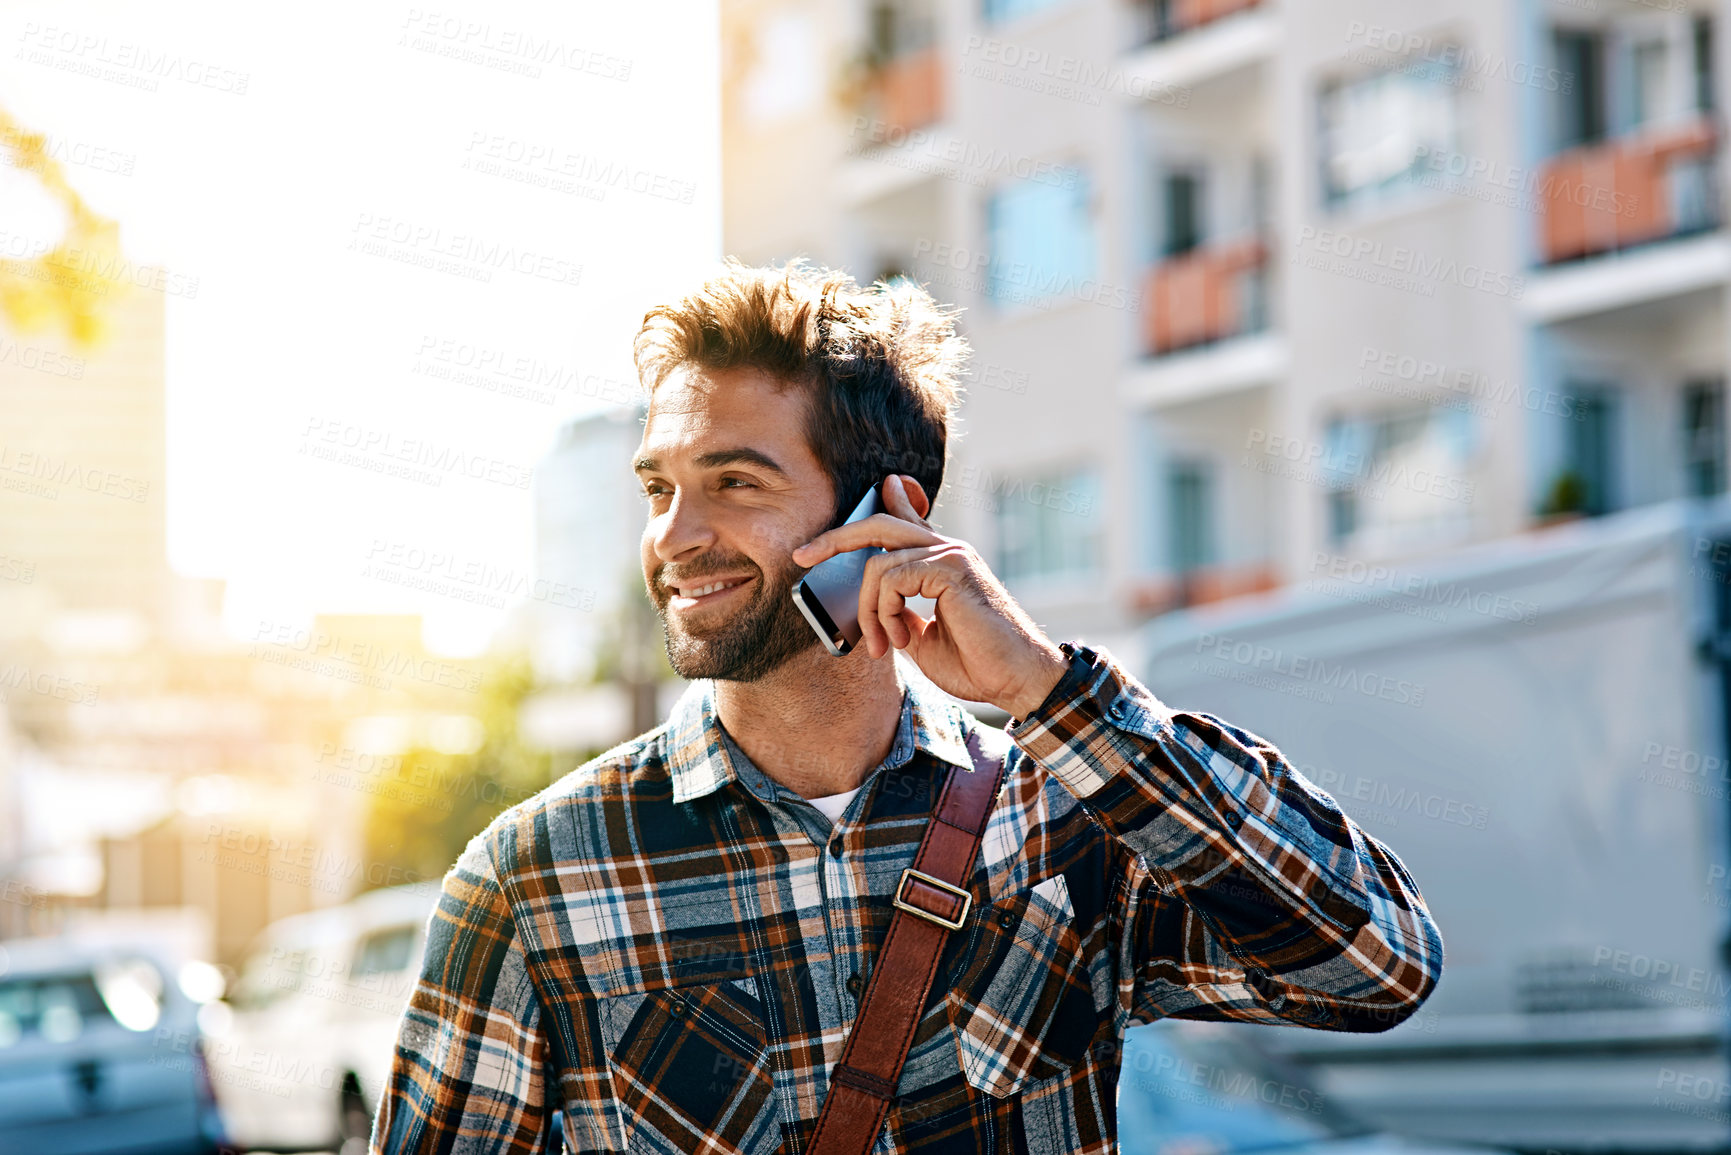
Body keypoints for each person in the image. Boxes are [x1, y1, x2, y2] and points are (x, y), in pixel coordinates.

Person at [371, 261, 1443, 1155]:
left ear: (890, 515)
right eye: (660, 489)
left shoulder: (1066, 821)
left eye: (735, 482)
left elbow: (1377, 966)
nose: (675, 534)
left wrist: (1046, 691)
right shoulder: (534, 877)